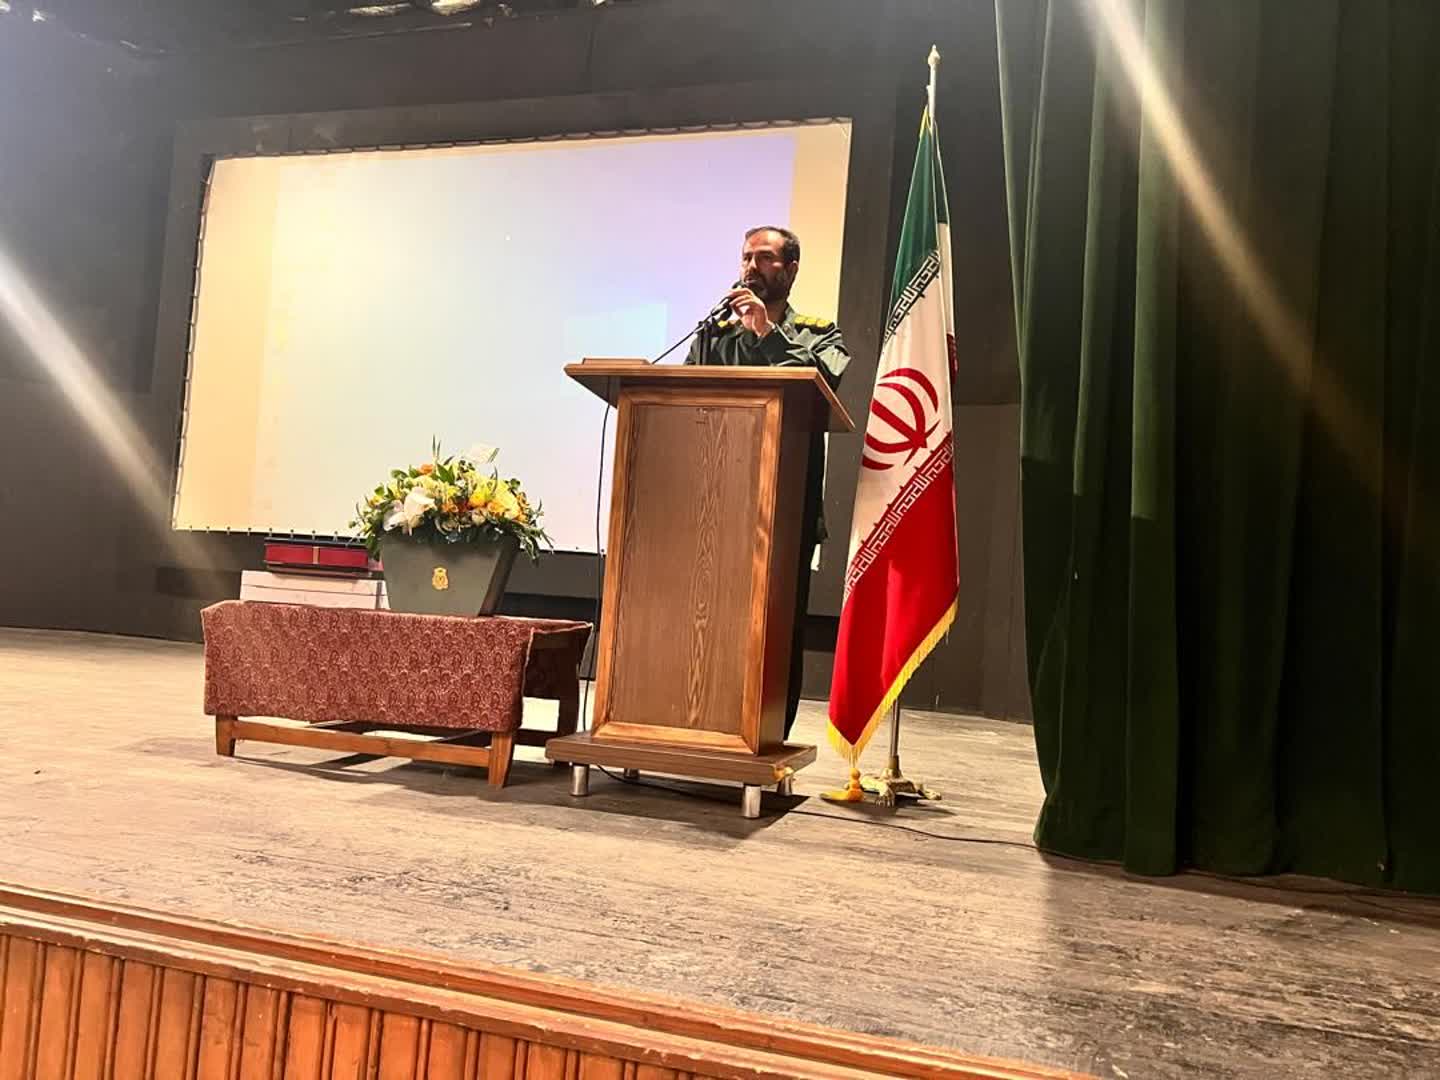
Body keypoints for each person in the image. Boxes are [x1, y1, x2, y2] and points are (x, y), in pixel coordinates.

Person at [685, 225, 850, 738]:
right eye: (745, 257)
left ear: (791, 269)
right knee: (704, 619)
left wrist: (765, 334)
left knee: (776, 628)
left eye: (764, 258)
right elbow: (684, 400)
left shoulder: (821, 334)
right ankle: (699, 721)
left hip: (784, 508)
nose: (751, 267)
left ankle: (768, 734)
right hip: (714, 502)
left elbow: (821, 385)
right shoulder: (714, 334)